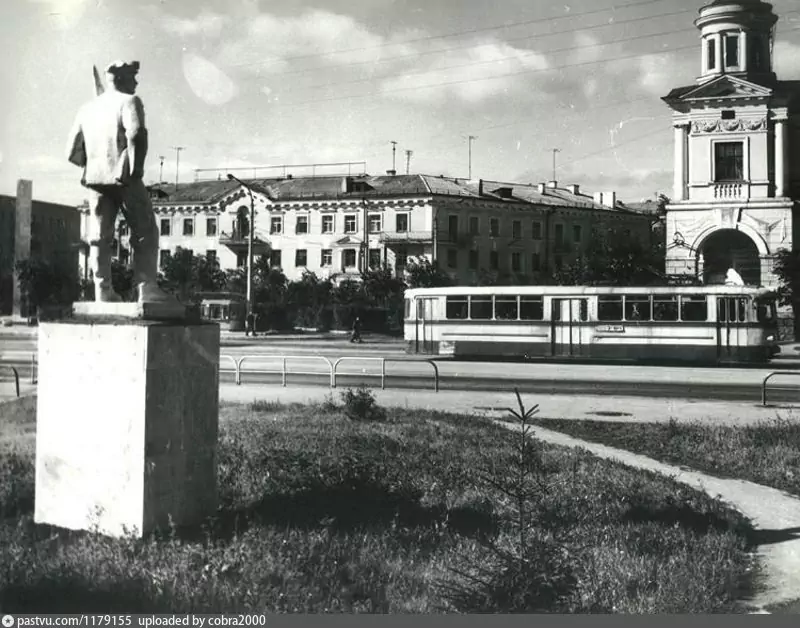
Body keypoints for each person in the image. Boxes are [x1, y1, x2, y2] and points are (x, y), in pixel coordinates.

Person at [66, 60, 175, 304]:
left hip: (96, 179)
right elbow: (136, 134)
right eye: (133, 78)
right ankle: (145, 287)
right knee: (146, 230)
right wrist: (135, 168)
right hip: (124, 177)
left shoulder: (87, 108)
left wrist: (94, 164)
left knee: (99, 236)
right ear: (123, 79)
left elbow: (71, 151)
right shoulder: (129, 101)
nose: (136, 83)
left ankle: (102, 291)